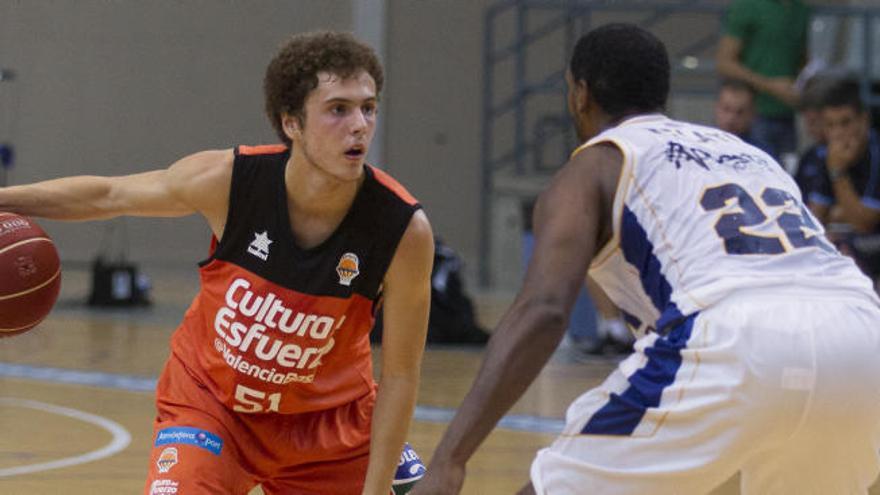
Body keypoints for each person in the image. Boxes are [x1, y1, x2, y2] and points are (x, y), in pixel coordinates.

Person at [413, 23, 880, 495]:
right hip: (861, 333)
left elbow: (544, 310)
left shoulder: (596, 164)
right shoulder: (749, 154)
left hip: (736, 332)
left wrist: (450, 458)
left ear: (580, 93)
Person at [0, 31, 433, 495]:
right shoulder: (230, 181)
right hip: (212, 407)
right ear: (291, 123)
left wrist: (374, 488)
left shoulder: (401, 229)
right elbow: (110, 194)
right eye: (338, 109)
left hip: (328, 426)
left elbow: (401, 374)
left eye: (368, 107)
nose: (360, 125)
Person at [801, 75, 880, 284]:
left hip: (869, 242)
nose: (839, 134)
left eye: (846, 123)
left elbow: (863, 223)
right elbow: (814, 220)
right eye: (831, 125)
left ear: (864, 120)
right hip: (858, 240)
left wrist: (838, 171)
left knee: (848, 251)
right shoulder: (824, 154)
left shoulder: (875, 152)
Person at [716, 0, 810, 160]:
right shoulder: (747, 6)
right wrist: (770, 87)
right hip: (754, 113)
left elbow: (802, 60)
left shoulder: (800, 9)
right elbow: (724, 62)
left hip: (788, 112)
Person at [714, 78, 756, 143]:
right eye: (726, 109)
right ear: (717, 108)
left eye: (740, 112)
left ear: (751, 115)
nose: (731, 118)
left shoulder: (759, 151)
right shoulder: (699, 145)